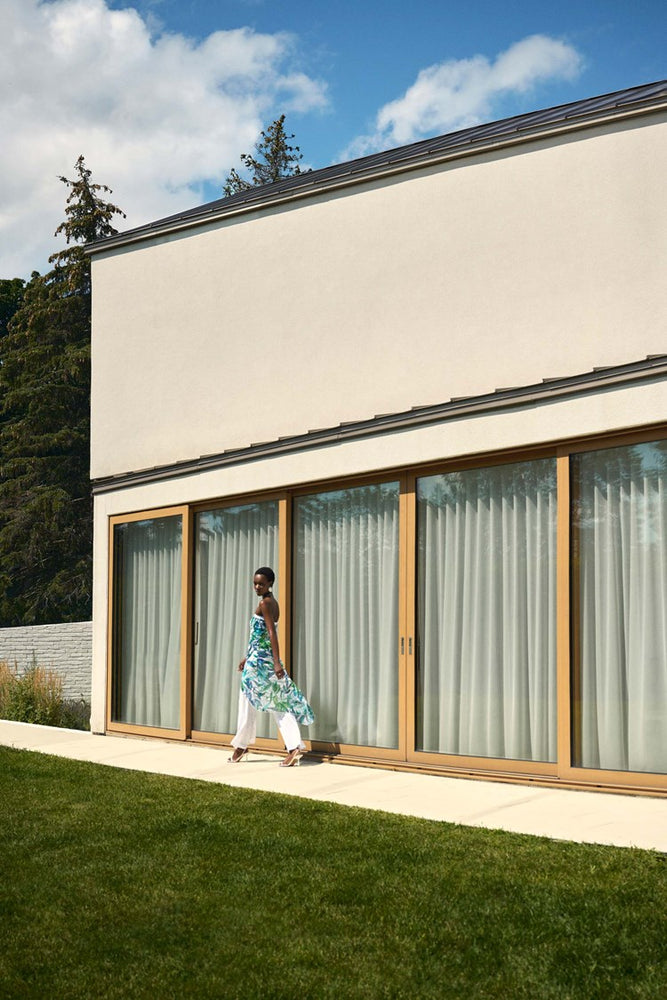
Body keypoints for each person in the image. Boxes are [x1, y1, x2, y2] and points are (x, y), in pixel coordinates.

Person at [229, 566, 314, 767]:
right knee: (265, 701)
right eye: (255, 583)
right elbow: (259, 637)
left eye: (261, 583)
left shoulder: (265, 604)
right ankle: (248, 745)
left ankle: (246, 746)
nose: (257, 586)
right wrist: (246, 656)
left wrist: (277, 662)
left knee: (260, 702)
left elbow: (271, 633)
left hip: (261, 664)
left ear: (270, 584)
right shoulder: (272, 602)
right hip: (257, 659)